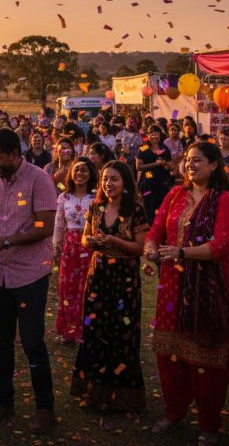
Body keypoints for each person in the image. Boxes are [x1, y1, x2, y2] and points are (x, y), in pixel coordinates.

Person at [144, 141, 229, 445]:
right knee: (169, 352)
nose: (191, 164)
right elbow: (156, 230)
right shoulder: (175, 194)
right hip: (171, 284)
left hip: (209, 285)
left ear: (213, 165)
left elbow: (220, 248)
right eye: (188, 159)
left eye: (198, 160)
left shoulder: (225, 201)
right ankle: (173, 412)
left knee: (207, 355)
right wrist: (151, 249)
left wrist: (180, 252)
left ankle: (209, 422)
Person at [0, 128, 58, 434]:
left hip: (31, 273)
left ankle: (45, 408)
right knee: (1, 343)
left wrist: (7, 242)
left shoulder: (39, 179)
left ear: (14, 154)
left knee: (33, 342)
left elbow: (45, 226)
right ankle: (4, 402)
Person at [71, 160, 149, 412]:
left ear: (125, 182)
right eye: (105, 178)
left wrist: (115, 239)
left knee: (122, 332)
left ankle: (122, 396)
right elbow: (84, 238)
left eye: (114, 179)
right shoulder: (95, 208)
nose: (108, 183)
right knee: (95, 331)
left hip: (124, 279)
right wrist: (92, 241)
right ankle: (95, 392)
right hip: (99, 276)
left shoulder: (135, 210)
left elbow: (140, 247)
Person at [52, 157, 97, 344]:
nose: (80, 174)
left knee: (86, 286)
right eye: (77, 170)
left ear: (91, 174)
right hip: (69, 246)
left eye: (84, 170)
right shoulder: (64, 197)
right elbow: (59, 224)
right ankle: (68, 330)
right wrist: (56, 247)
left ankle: (84, 330)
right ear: (71, 173)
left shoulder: (96, 198)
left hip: (90, 245)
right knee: (68, 287)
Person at [137, 124, 174, 223]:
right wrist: (155, 164)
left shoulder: (165, 148)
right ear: (148, 136)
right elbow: (138, 167)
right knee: (148, 204)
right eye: (151, 134)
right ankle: (149, 223)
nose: (154, 136)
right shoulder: (143, 148)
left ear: (160, 135)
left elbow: (171, 165)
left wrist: (166, 165)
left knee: (162, 204)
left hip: (162, 182)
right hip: (147, 181)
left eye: (156, 134)